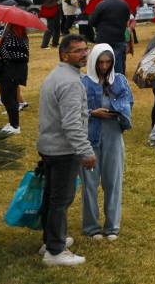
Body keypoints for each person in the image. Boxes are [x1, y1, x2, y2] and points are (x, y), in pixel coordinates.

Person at [37, 34, 97, 267]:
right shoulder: (70, 82)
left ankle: (51, 239)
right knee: (60, 200)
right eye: (78, 51)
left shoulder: (58, 75)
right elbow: (71, 124)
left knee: (52, 197)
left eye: (85, 49)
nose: (84, 54)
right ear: (64, 54)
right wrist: (86, 151)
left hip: (49, 147)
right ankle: (55, 251)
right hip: (62, 151)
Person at [80, 44, 133, 241]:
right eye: (100, 62)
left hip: (113, 135)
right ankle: (91, 227)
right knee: (89, 184)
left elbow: (129, 102)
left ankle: (112, 227)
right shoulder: (83, 82)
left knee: (113, 182)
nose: (104, 66)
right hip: (90, 137)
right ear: (93, 61)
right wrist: (92, 113)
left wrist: (119, 110)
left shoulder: (119, 80)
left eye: (108, 62)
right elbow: (75, 109)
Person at [0, 23, 29, 134]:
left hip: (11, 72)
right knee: (10, 98)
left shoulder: (13, 37)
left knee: (8, 99)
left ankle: (15, 126)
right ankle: (13, 123)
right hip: (10, 71)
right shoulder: (19, 37)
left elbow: (12, 56)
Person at [88, 0, 131, 74]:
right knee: (119, 62)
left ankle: (105, 79)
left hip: (103, 38)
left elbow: (92, 22)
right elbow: (127, 20)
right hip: (119, 37)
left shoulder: (101, 4)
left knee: (104, 62)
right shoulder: (125, 4)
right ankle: (119, 80)